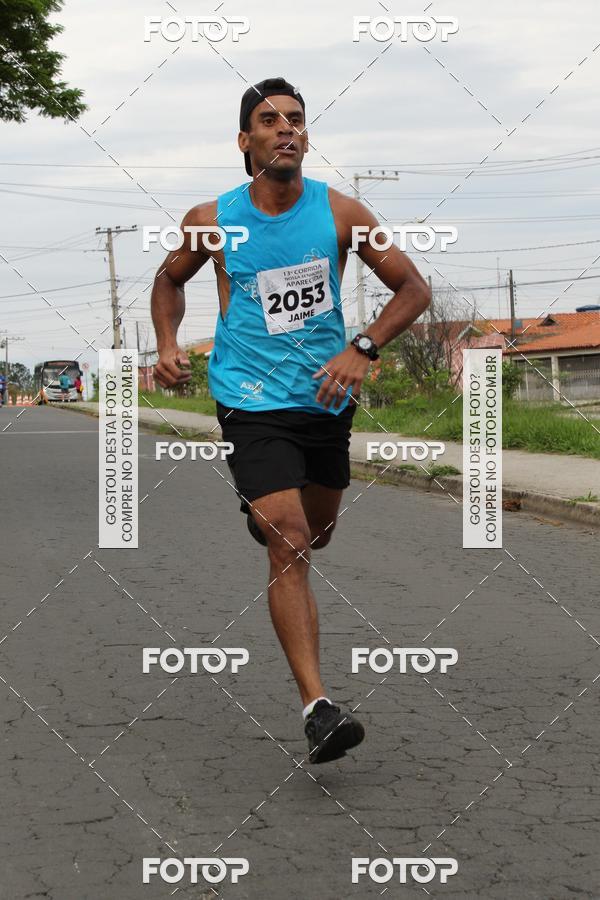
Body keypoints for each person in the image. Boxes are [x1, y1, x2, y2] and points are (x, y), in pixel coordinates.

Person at [151, 76, 430, 764]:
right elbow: (168, 280)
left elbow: (414, 288)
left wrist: (362, 347)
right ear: (245, 141)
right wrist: (165, 346)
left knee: (319, 530)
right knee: (291, 540)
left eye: (297, 120)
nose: (287, 129)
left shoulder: (340, 213)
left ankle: (269, 511)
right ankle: (319, 708)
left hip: (325, 400)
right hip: (249, 399)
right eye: (271, 121)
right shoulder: (212, 218)